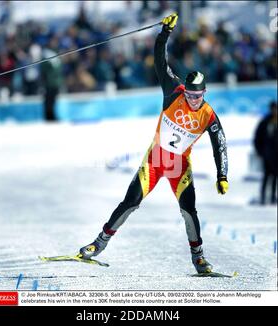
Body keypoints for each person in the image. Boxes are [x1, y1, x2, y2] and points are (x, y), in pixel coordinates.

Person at [79, 13, 229, 274]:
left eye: (198, 96)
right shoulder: (174, 92)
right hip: (156, 159)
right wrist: (164, 34)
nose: (193, 100)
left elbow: (220, 144)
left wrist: (222, 175)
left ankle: (199, 258)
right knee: (131, 202)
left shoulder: (208, 115)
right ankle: (98, 244)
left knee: (189, 211)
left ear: (205, 93)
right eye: (191, 95)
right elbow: (160, 60)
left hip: (179, 165)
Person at [253, 101, 277, 205]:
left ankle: (272, 197)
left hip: (276, 155)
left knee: (275, 176)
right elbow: (257, 138)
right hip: (267, 155)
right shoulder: (265, 122)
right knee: (267, 176)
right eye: (273, 109)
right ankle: (263, 197)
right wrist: (260, 152)